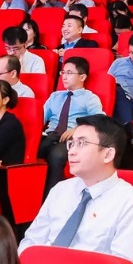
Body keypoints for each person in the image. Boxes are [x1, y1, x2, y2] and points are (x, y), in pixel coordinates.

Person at [20, 115, 133, 264]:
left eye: (81, 143)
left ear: (108, 154)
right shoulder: (60, 190)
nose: (71, 151)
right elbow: (31, 241)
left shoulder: (131, 203)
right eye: (71, 143)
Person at [38, 56, 104, 192]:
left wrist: (78, 129)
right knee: (25, 151)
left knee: (56, 156)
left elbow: (100, 119)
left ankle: (51, 198)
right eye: (63, 72)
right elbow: (39, 118)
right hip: (50, 136)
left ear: (82, 77)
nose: (64, 76)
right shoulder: (55, 96)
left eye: (69, 73)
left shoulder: (89, 98)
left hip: (71, 140)